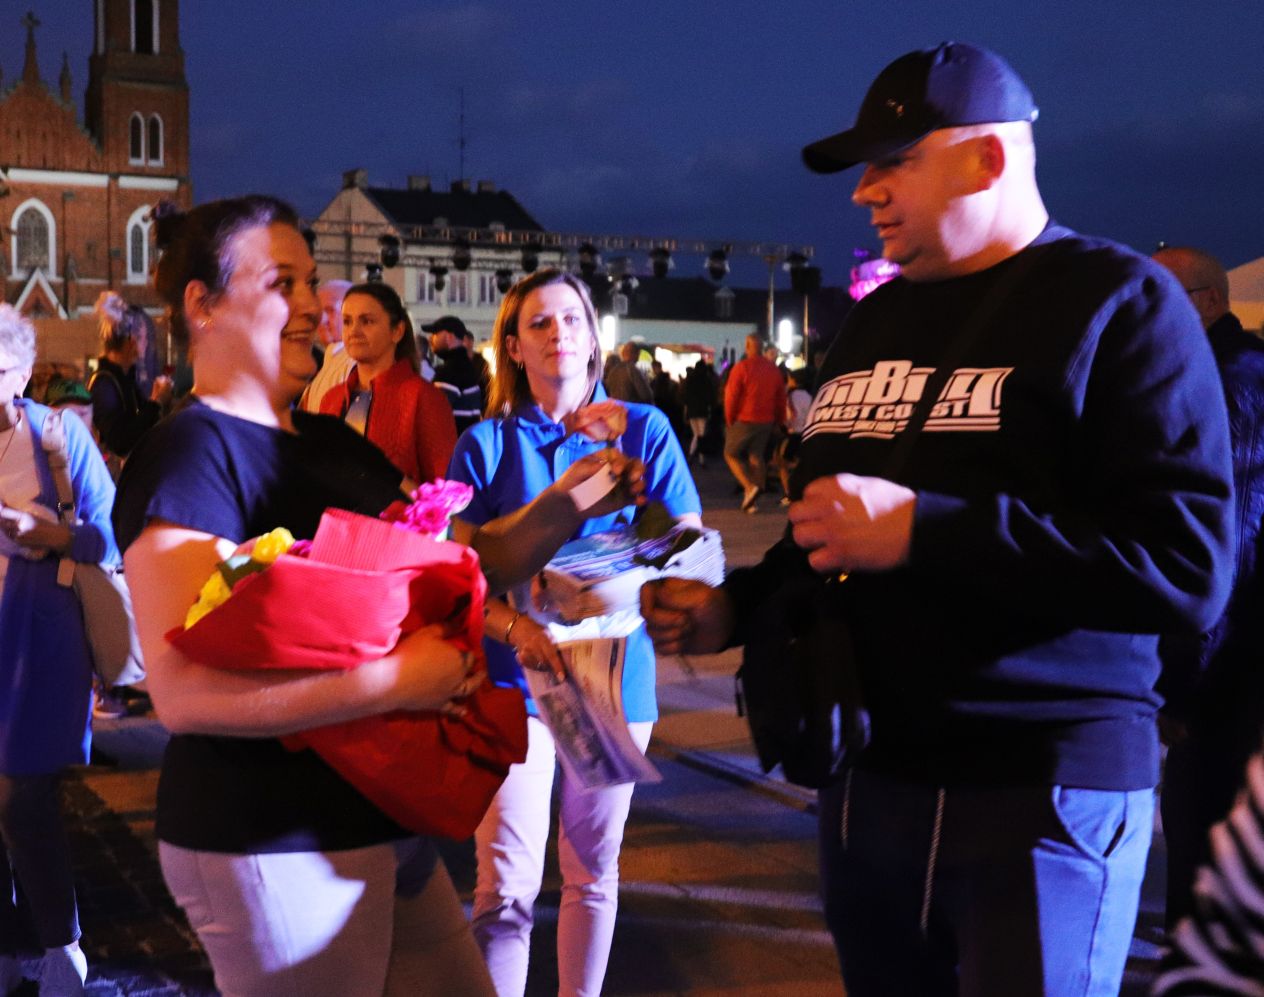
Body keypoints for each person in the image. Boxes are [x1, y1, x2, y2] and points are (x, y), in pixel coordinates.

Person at [641, 42, 1235, 997]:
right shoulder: (874, 323)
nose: (863, 190)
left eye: (893, 159)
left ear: (987, 158)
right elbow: (828, 527)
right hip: (864, 779)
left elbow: (1188, 565)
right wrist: (734, 607)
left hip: (1040, 788)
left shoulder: (1122, 304)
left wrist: (928, 528)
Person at [114, 197, 645, 997]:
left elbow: (470, 555)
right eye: (279, 281)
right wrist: (401, 681)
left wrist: (572, 500)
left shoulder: (328, 442)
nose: (309, 303)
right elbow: (184, 693)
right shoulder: (192, 453)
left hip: (379, 810)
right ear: (203, 303)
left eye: (310, 279)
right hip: (271, 832)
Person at [447, 269, 701, 997]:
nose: (557, 333)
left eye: (571, 319)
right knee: (507, 880)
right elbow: (458, 572)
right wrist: (513, 620)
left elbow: (685, 546)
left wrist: (641, 519)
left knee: (593, 868)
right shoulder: (486, 443)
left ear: (594, 338)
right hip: (513, 678)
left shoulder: (644, 428)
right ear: (514, 347)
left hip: (615, 677)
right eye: (539, 323)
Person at [0, 305, 119, 995]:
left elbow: (110, 536)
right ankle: (14, 946)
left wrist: (44, 534)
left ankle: (61, 946)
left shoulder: (58, 434)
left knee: (22, 798)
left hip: (41, 637)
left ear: (18, 373)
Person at [1152, 245, 1264, 928]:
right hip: (1237, 659)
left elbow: (1227, 543)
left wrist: (1184, 679)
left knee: (1206, 834)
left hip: (1228, 667)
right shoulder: (1232, 372)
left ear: (1211, 301)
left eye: (1160, 300)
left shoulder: (1223, 385)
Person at [319, 282, 457, 490]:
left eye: (367, 321)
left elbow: (445, 490)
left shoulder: (424, 397)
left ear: (397, 331)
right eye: (347, 321)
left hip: (400, 522)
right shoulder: (332, 399)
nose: (353, 331)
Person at [89, 291, 173, 469]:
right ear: (130, 341)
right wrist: (156, 403)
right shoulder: (104, 384)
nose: (146, 344)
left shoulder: (126, 379)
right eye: (142, 337)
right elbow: (120, 442)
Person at [723, 333, 786, 513]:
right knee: (756, 456)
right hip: (766, 420)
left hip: (745, 418)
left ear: (748, 346)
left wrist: (729, 418)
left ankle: (749, 487)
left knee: (730, 453)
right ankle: (751, 501)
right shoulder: (773, 370)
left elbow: (731, 396)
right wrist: (778, 421)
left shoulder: (741, 368)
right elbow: (780, 398)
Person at [297, 278, 353, 413]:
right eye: (319, 312)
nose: (322, 320)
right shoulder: (328, 363)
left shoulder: (355, 364)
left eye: (330, 311)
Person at [424, 315, 485, 434]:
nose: (431, 339)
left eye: (435, 334)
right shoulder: (469, 367)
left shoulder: (449, 372)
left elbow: (433, 415)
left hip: (451, 444)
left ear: (449, 337)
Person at [775, 367, 814, 506]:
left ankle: (789, 493)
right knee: (800, 462)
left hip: (793, 434)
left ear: (794, 380)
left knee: (782, 464)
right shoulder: (809, 396)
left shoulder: (790, 396)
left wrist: (784, 425)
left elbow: (788, 416)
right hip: (806, 433)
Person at [682, 358, 717, 466]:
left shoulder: (691, 380)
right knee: (700, 435)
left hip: (692, 411)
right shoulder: (706, 381)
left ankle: (691, 455)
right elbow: (711, 397)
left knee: (696, 434)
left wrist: (685, 412)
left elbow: (686, 398)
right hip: (703, 411)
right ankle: (700, 458)